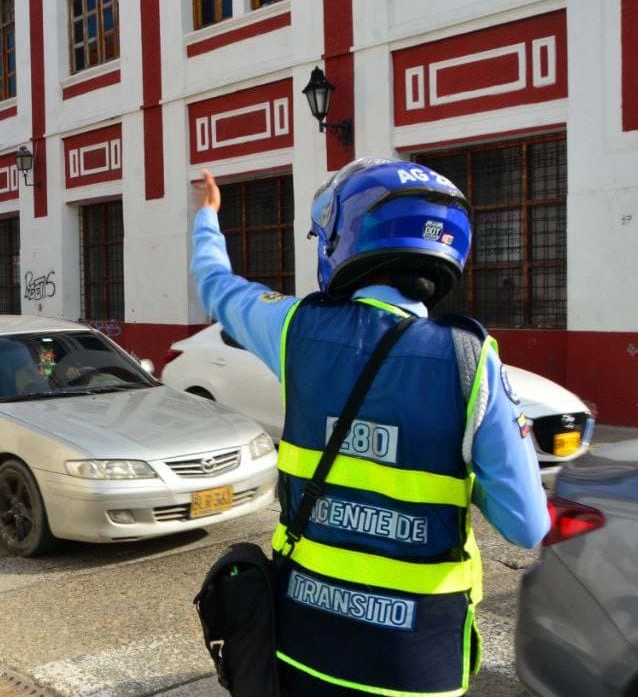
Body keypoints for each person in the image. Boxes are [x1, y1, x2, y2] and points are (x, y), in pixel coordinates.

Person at [191, 160, 549, 696]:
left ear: (345, 236)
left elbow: (216, 284)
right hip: (417, 660)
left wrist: (207, 218)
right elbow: (526, 525)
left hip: (304, 642)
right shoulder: (472, 364)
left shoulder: (296, 329)